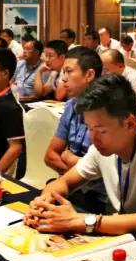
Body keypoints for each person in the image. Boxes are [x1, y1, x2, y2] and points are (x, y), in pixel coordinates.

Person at [25, 74, 136, 236]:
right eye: (89, 128)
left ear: (130, 123)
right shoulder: (101, 148)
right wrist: (44, 204)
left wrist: (82, 221)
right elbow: (64, 182)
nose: (93, 138)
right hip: (125, 234)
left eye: (101, 130)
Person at [44, 47, 102, 175]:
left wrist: (69, 159)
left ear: (89, 75)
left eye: (69, 71)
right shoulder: (71, 105)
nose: (63, 79)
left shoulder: (107, 110)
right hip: (72, 183)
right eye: (63, 72)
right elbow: (50, 156)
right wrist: (80, 172)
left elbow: (106, 170)